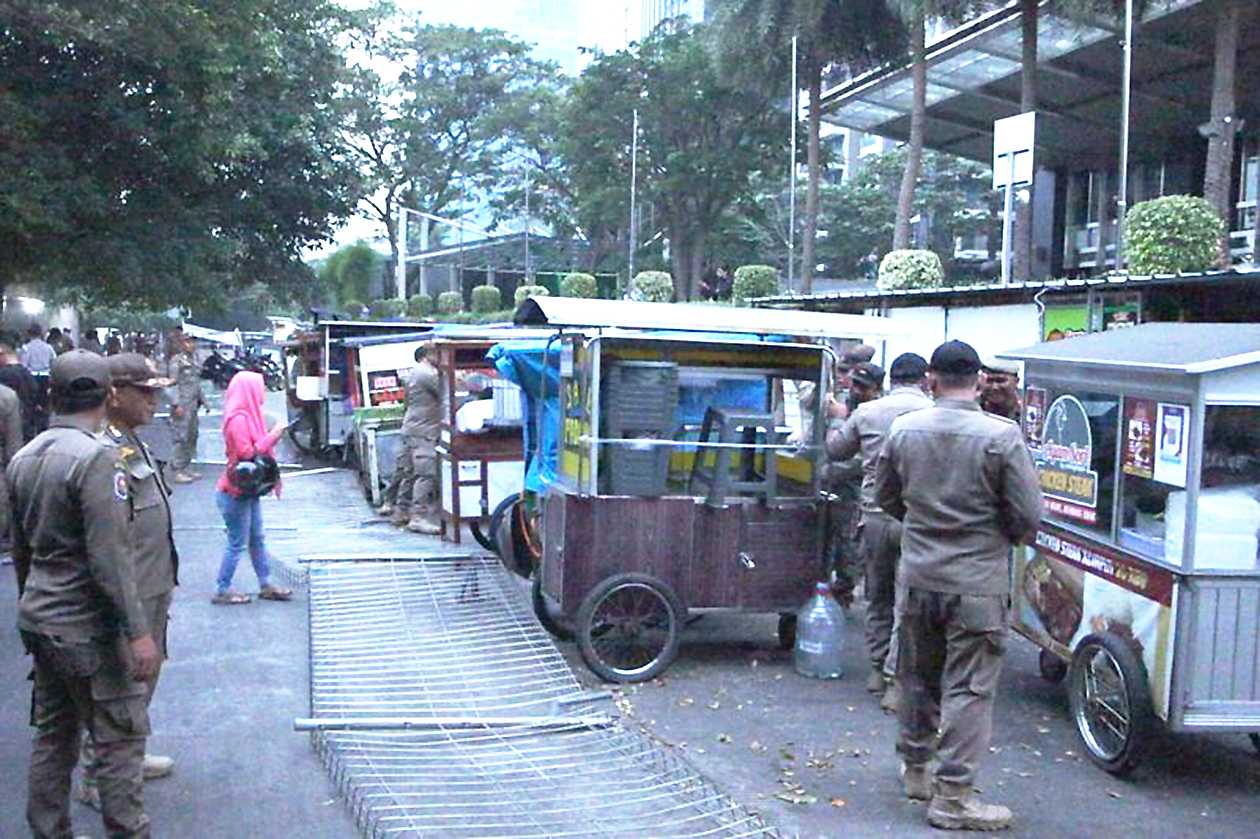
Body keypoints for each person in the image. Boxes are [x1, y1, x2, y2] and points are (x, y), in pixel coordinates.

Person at [874, 340, 1042, 831]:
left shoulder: (904, 430)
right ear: (978, 378)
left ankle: (915, 768)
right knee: (968, 689)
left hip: (920, 574)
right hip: (977, 583)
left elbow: (887, 496)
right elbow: (1028, 515)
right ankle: (952, 798)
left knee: (917, 676)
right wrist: (996, 536)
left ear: (931, 377)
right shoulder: (1002, 436)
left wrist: (924, 525)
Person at [9, 349, 161, 838]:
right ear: (110, 394)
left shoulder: (25, 457)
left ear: (53, 394)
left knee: (54, 736)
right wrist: (138, 633)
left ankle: (48, 830)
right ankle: (127, 829)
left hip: (42, 616)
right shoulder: (98, 459)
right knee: (119, 736)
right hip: (87, 627)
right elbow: (111, 558)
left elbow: (20, 548)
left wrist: (30, 603)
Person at [75, 353, 179, 810]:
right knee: (119, 688)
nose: (154, 400)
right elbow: (108, 541)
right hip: (130, 590)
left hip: (152, 583)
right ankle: (101, 776)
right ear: (114, 393)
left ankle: (128, 758)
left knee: (142, 682)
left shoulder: (130, 441)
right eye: (146, 391)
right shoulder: (104, 450)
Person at [827, 353, 933, 714]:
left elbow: (835, 449)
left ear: (891, 380)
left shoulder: (869, 412)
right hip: (915, 521)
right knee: (907, 604)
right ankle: (894, 682)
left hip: (872, 516)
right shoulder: (934, 414)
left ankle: (875, 668)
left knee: (877, 594)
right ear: (924, 379)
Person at [213, 371, 292, 605]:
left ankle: (265, 584)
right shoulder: (237, 418)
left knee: (256, 538)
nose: (263, 393)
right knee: (237, 542)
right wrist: (274, 436)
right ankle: (222, 588)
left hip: (248, 490)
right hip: (234, 492)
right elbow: (247, 453)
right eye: (259, 388)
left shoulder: (250, 415)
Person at [382, 344, 442, 534]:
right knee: (426, 474)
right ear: (428, 355)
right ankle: (419, 517)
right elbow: (449, 391)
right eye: (438, 354)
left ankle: (401, 512)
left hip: (412, 427)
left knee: (408, 472)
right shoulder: (427, 373)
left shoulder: (413, 373)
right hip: (424, 430)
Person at [166, 330, 204, 484]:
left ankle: (186, 466)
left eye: (194, 341)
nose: (192, 344)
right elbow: (171, 384)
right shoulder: (177, 361)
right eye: (188, 341)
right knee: (181, 437)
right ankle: (177, 469)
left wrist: (204, 401)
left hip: (193, 405)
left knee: (192, 436)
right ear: (182, 343)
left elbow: (196, 383)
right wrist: (176, 404)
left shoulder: (194, 360)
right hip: (182, 405)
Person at [0, 339, 40, 441]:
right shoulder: (27, 373)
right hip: (28, 425)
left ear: (2, 354)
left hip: (10, 428)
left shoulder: (4, 375)